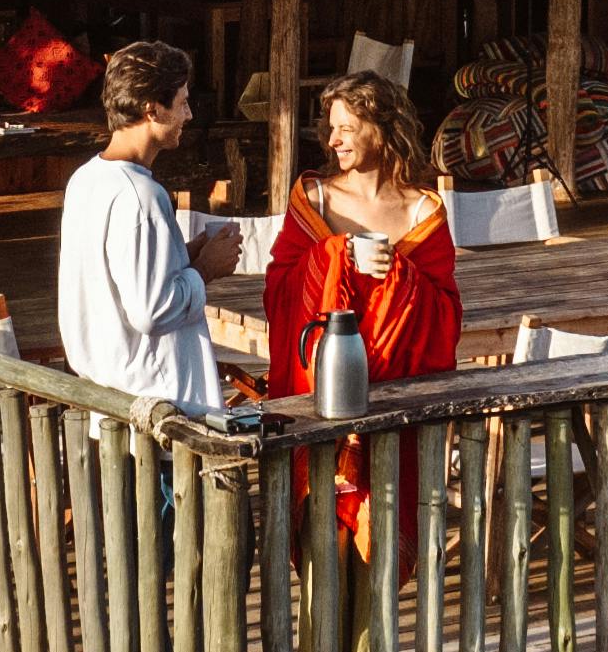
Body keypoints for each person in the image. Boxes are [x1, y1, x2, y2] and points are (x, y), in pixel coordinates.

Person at [262, 72, 462, 401]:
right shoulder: (314, 201)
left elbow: (447, 316)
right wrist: (333, 254)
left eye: (347, 129)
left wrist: (403, 275)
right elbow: (278, 292)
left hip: (398, 395)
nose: (332, 141)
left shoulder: (423, 212)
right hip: (322, 389)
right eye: (331, 129)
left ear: (382, 131)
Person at [56, 38, 227, 419]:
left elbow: (124, 280)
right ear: (153, 109)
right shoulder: (140, 195)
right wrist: (205, 270)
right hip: (153, 405)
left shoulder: (86, 179)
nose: (189, 115)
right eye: (182, 103)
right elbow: (153, 311)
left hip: (107, 397)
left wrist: (185, 254)